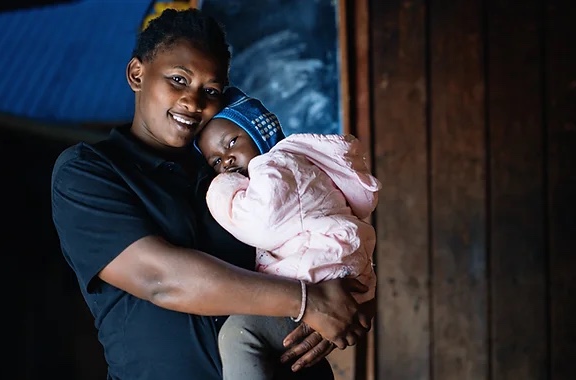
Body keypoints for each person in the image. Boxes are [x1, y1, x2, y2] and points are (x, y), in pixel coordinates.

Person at [49, 9, 371, 380]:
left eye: (211, 90)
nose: (193, 101)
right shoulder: (89, 173)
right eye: (178, 79)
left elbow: (324, 229)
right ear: (137, 74)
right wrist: (307, 302)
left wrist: (349, 299)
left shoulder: (235, 171)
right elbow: (160, 279)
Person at [195, 87, 379, 380]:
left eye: (231, 143)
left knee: (239, 334)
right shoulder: (291, 168)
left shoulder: (276, 166)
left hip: (316, 286)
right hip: (318, 279)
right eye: (216, 162)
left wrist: (220, 188)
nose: (227, 161)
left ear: (259, 133)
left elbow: (262, 224)